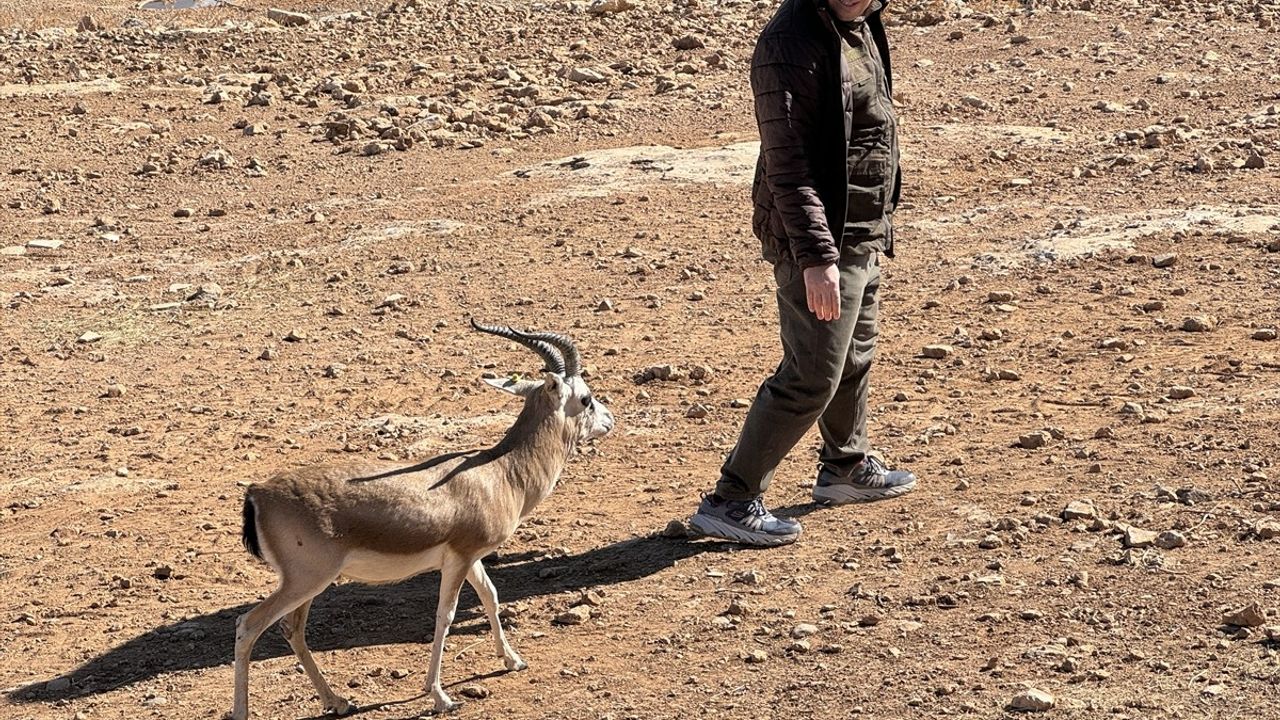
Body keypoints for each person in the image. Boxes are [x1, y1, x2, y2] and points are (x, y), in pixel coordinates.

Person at [689, 0, 916, 547]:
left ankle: (846, 466)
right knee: (812, 373)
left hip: (859, 228)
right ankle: (732, 498)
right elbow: (787, 159)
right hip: (818, 240)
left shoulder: (858, 22)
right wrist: (817, 259)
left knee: (855, 356)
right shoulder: (788, 41)